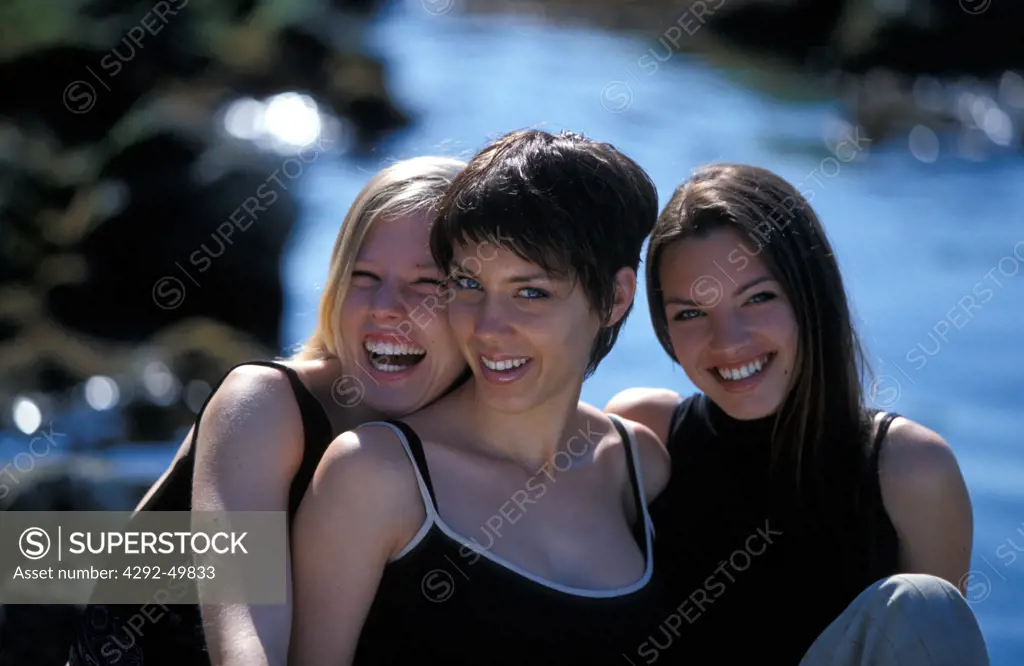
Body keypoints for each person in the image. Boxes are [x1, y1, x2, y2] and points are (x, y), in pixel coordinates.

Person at [288, 129, 673, 666]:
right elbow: (161, 568)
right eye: (468, 285)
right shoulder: (373, 475)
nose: (489, 328)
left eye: (531, 292)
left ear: (615, 298)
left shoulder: (638, 468)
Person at [67, 155, 470, 666]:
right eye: (363, 275)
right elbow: (246, 646)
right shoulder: (262, 406)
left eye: (427, 284)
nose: (385, 306)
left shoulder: (488, 449)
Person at [605, 163, 989, 665]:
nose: (729, 343)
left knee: (927, 604)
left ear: (811, 296)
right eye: (691, 313)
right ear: (665, 330)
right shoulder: (643, 433)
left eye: (758, 298)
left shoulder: (912, 471)